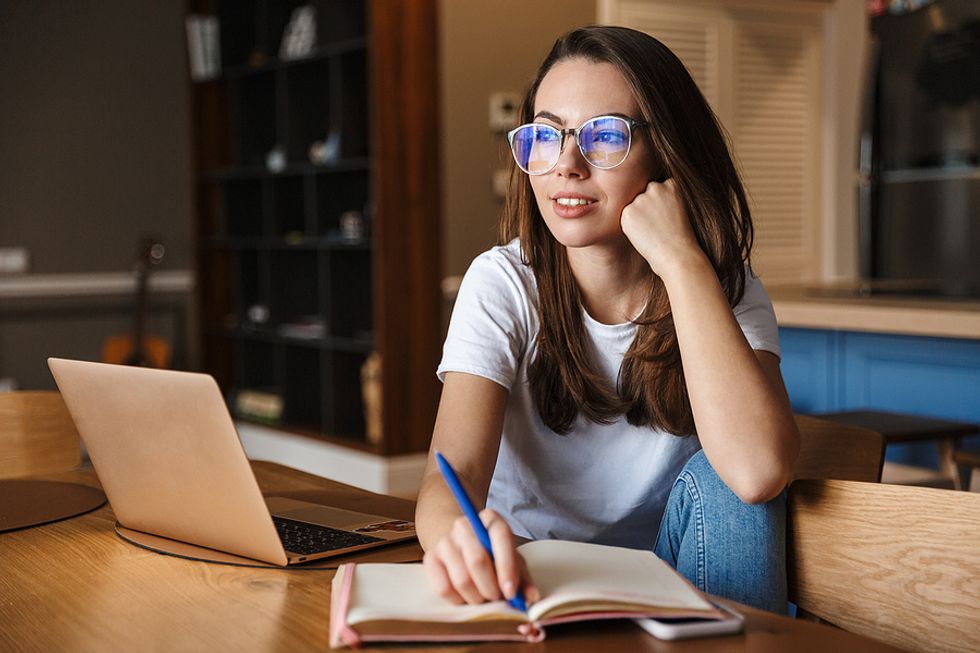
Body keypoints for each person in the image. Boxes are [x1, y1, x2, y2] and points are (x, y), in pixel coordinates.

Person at [415, 25, 800, 615]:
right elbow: (456, 471)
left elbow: (755, 476)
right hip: (536, 574)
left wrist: (680, 263)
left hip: (672, 581)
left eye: (604, 136)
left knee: (729, 487)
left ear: (666, 152)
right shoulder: (502, 283)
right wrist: (454, 542)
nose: (567, 165)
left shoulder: (722, 287)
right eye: (546, 135)